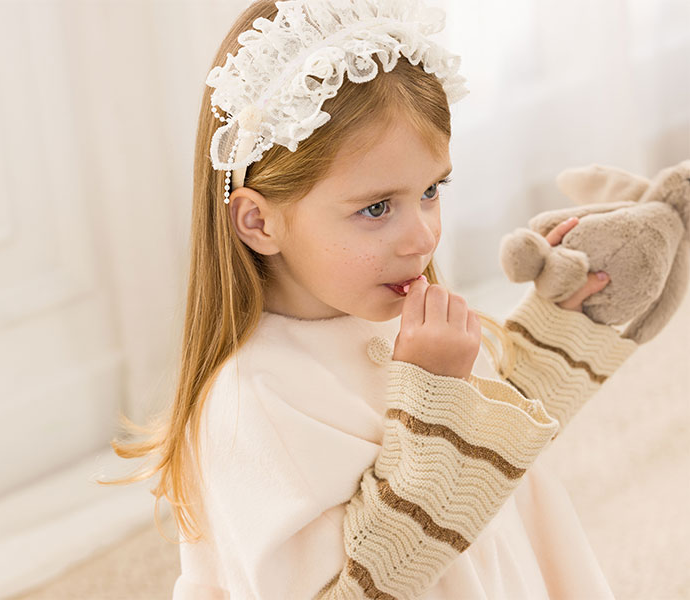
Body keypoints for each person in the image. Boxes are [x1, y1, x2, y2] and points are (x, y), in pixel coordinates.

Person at [100, 1, 640, 597]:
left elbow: (491, 463)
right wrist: (433, 402)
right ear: (258, 221)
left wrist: (561, 320)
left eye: (431, 189)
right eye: (377, 208)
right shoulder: (256, 401)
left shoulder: (384, 310)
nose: (423, 236)